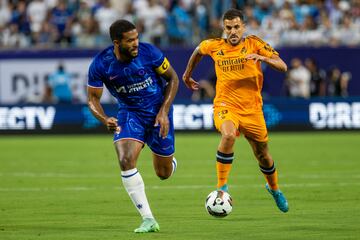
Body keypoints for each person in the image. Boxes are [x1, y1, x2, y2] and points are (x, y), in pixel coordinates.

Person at [183, 8, 289, 213]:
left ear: (244, 27)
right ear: (224, 28)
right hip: (226, 105)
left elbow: (282, 66)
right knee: (229, 135)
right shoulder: (214, 45)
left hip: (252, 110)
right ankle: (222, 186)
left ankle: (274, 188)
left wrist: (263, 58)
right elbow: (198, 51)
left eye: (236, 27)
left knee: (263, 154)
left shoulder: (254, 44)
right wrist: (187, 75)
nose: (233, 32)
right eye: (229, 28)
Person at [87, 19, 179, 233]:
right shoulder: (101, 64)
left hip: (158, 112)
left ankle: (170, 162)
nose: (136, 43)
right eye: (130, 41)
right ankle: (148, 219)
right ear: (117, 43)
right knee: (126, 160)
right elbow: (92, 99)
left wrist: (164, 111)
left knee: (163, 174)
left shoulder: (150, 52)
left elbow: (173, 79)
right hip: (130, 114)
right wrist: (104, 118)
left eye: (137, 38)